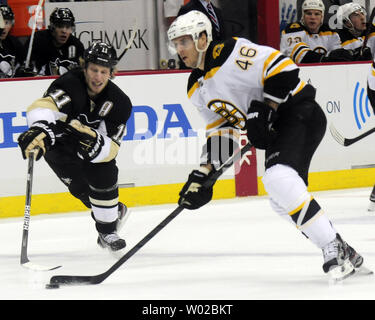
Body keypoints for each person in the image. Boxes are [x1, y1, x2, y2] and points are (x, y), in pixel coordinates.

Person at [167, 10, 368, 280]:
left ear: (202, 38)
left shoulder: (228, 52)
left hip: (299, 111)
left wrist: (265, 110)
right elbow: (221, 129)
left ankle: (332, 248)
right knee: (279, 198)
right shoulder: (194, 86)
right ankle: (338, 246)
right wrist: (204, 174)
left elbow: (284, 68)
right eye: (176, 44)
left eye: (184, 42)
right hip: (279, 126)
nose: (180, 49)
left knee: (277, 177)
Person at [17, 41, 132, 252]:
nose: (97, 77)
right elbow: (44, 107)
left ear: (111, 73)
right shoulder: (69, 84)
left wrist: (95, 145)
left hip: (90, 148)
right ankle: (116, 211)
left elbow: (112, 146)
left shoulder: (120, 102)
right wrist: (38, 128)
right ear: (84, 67)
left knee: (104, 171)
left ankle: (107, 230)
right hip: (60, 144)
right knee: (80, 189)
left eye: (103, 71)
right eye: (93, 70)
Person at [280, 0, 354, 64]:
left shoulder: (330, 33)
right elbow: (299, 54)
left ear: (322, 16)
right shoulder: (292, 29)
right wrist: (324, 59)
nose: (313, 17)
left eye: (317, 14)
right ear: (303, 16)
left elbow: (336, 55)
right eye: (309, 13)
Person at [24, 7, 84, 76]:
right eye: (60, 26)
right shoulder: (38, 40)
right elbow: (25, 66)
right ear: (52, 27)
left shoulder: (76, 45)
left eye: (67, 27)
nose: (64, 31)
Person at [177, 0, 225, 69]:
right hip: (196, 69)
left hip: (217, 67)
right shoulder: (187, 10)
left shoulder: (218, 12)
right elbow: (181, 41)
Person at [0, 4, 27, 78]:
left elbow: (24, 65)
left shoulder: (14, 43)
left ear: (12, 24)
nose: (4, 27)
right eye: (1, 22)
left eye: (7, 23)